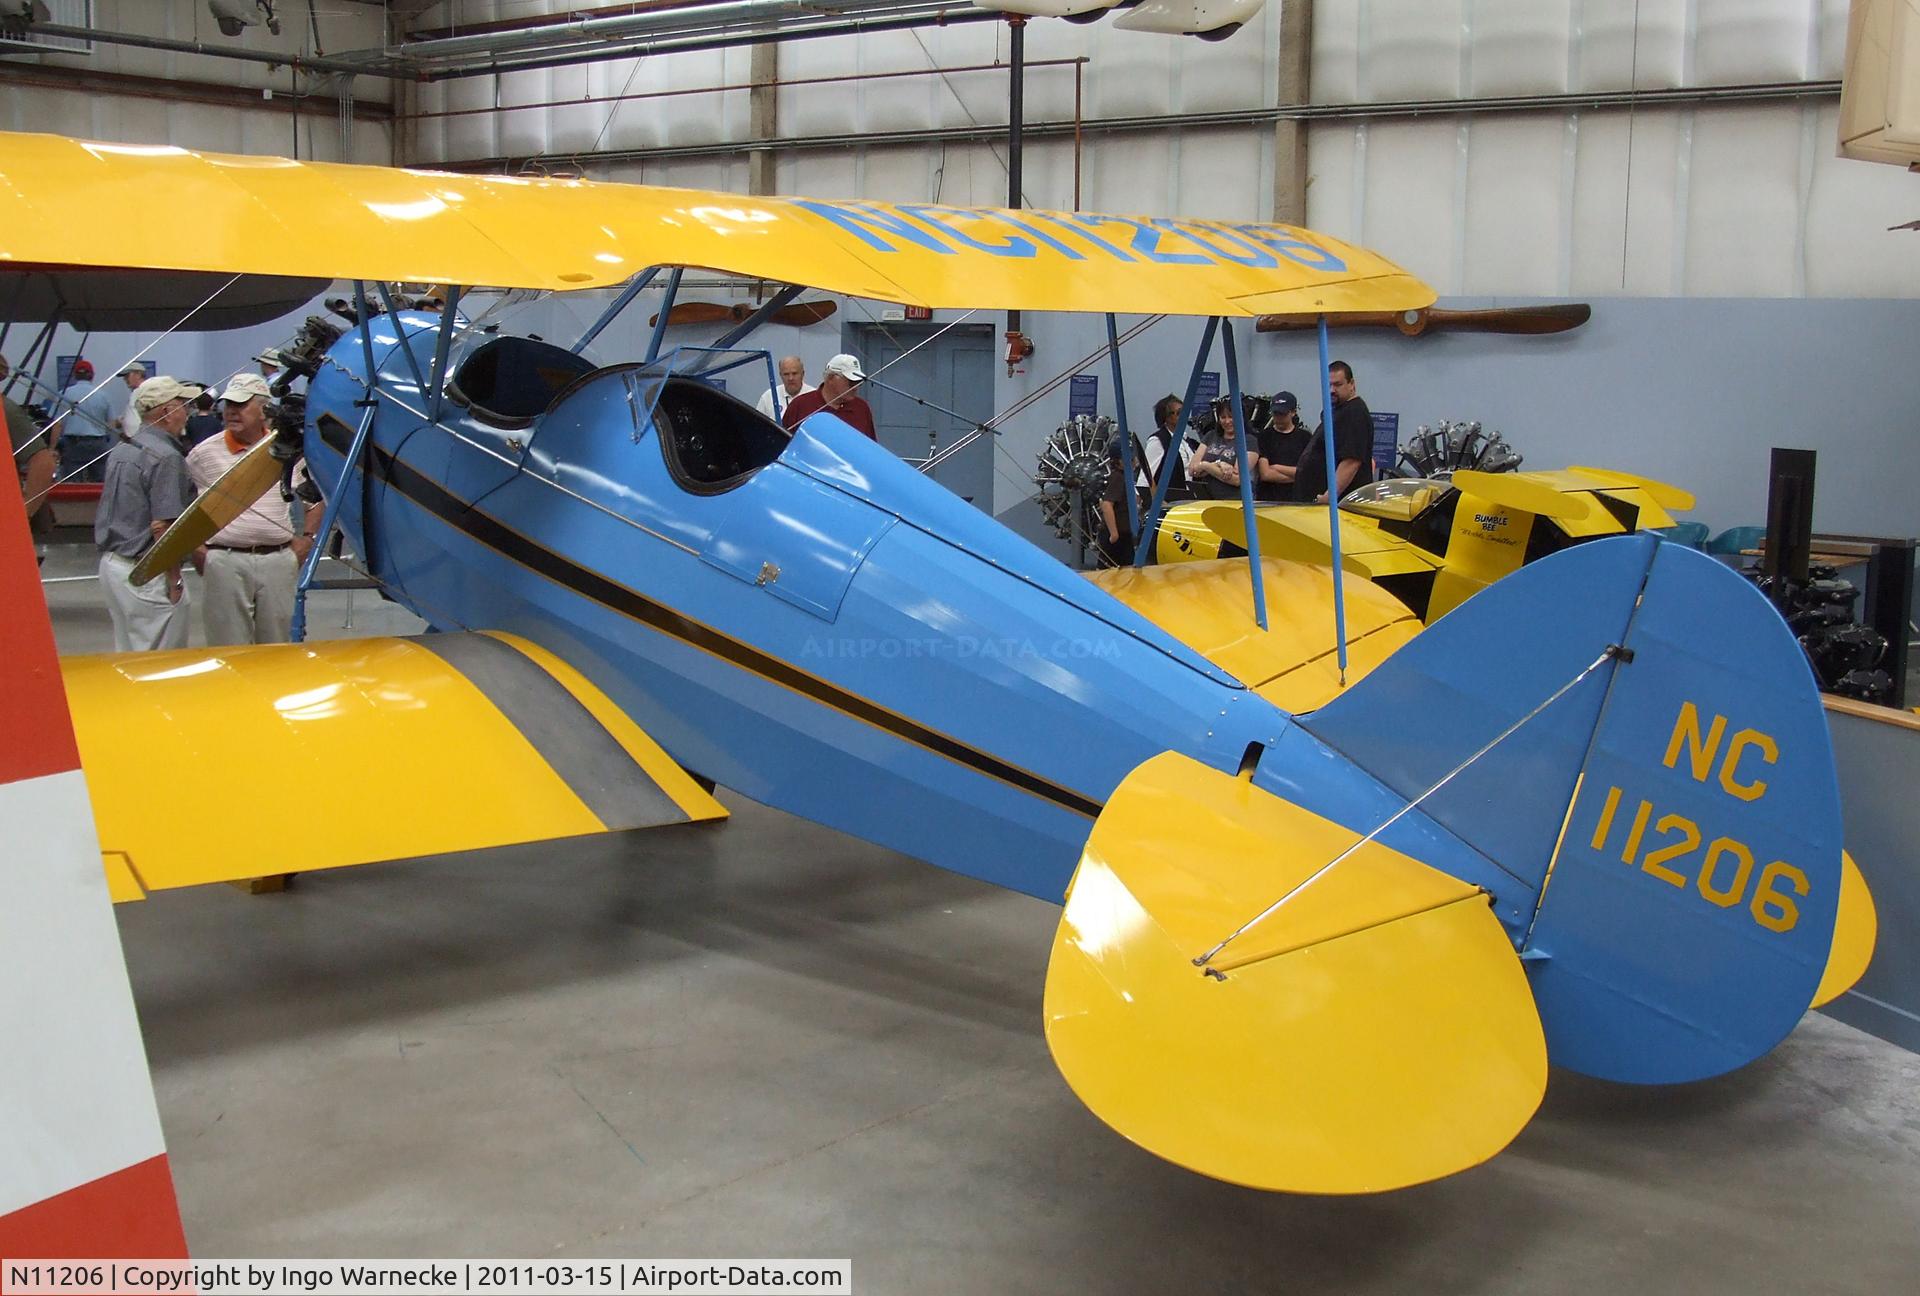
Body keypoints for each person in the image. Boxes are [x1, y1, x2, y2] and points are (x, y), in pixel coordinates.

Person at [186, 373, 314, 645]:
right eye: (228, 404)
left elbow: (315, 496)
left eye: (241, 404)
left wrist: (308, 540)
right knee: (226, 647)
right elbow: (184, 503)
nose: (231, 410)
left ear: (263, 410)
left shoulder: (287, 452)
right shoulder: (203, 453)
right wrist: (195, 547)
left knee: (277, 646)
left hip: (278, 559)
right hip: (224, 559)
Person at [95, 376, 200, 651]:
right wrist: (174, 579)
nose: (186, 411)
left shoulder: (122, 449)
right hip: (147, 572)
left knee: (127, 655)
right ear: (166, 412)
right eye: (182, 404)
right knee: (160, 663)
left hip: (113, 566)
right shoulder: (167, 456)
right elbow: (163, 526)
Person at [1295, 360, 1375, 503]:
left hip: (1337, 504)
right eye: (1329, 385)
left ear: (1352, 384)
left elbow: (1351, 461)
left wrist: (1328, 497)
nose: (1332, 390)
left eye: (1338, 384)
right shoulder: (1339, 411)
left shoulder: (1354, 412)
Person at [781, 353, 875, 439]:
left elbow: (871, 448)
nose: (855, 387)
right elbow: (782, 444)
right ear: (830, 378)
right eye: (851, 382)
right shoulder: (800, 405)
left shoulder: (862, 408)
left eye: (858, 382)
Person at [53, 359, 117, 483]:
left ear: (75, 375)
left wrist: (52, 448)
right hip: (98, 444)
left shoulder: (64, 394)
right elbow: (112, 424)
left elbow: (57, 424)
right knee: (100, 485)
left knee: (72, 485)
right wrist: (108, 442)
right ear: (92, 375)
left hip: (73, 445)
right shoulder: (103, 395)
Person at [1185, 394, 1249, 501]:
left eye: (1231, 416)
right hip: (1206, 499)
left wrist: (1205, 466)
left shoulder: (1248, 440)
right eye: (1223, 417)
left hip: (1233, 501)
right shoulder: (1210, 436)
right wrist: (1219, 464)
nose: (1227, 421)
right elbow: (1192, 470)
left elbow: (1237, 479)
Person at [1254, 391, 1309, 503]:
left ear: (1293, 412)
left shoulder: (1305, 437)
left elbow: (1307, 473)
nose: (1278, 417)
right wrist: (1296, 477)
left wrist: (1276, 467)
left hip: (1296, 499)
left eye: (1282, 414)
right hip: (1268, 499)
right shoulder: (1264, 436)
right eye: (1275, 413)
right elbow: (1266, 474)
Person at [1137, 393, 1192, 501]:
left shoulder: (1187, 441)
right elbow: (1145, 479)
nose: (1184, 415)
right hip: (1169, 502)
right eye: (1179, 413)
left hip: (1189, 502)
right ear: (1166, 417)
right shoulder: (1158, 441)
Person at [1096, 438, 1134, 569]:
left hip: (1125, 534)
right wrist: (1114, 534)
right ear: (1117, 461)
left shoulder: (1127, 477)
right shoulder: (1118, 478)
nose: (1133, 460)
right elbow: (1107, 505)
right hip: (1118, 536)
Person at [756, 355, 813, 420]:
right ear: (780, 375)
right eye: (786, 374)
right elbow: (757, 424)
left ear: (802, 374)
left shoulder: (814, 396)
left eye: (794, 373)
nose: (790, 378)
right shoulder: (768, 397)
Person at [116, 364, 146, 440]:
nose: (124, 379)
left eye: (127, 376)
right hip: (132, 440)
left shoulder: (145, 391)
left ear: (138, 374)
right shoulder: (135, 393)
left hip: (141, 440)